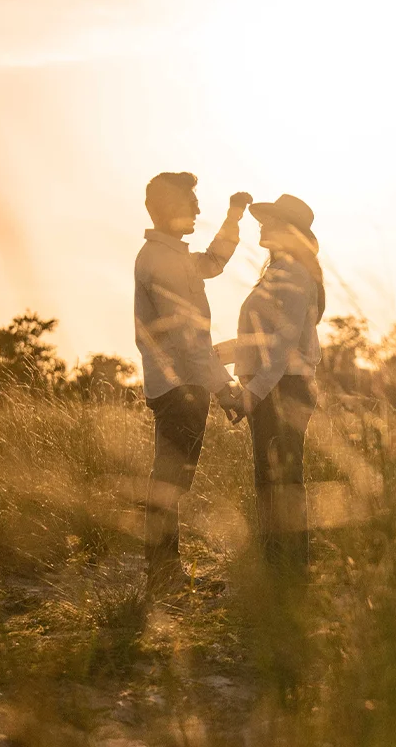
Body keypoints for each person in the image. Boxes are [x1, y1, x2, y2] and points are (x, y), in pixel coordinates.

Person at [134, 171, 250, 592]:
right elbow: (189, 342)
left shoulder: (174, 257)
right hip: (179, 386)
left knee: (172, 483)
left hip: (184, 384)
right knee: (168, 485)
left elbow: (214, 263)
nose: (198, 208)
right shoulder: (161, 261)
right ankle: (163, 580)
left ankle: (165, 575)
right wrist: (226, 390)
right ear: (169, 208)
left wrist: (234, 216)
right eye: (191, 201)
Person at [234, 194, 324, 575]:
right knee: (272, 480)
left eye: (270, 220)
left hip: (281, 388)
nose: (262, 225)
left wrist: (250, 395)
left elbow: (282, 348)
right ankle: (280, 566)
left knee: (281, 480)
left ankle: (287, 569)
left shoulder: (292, 275)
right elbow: (259, 342)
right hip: (274, 385)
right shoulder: (278, 273)